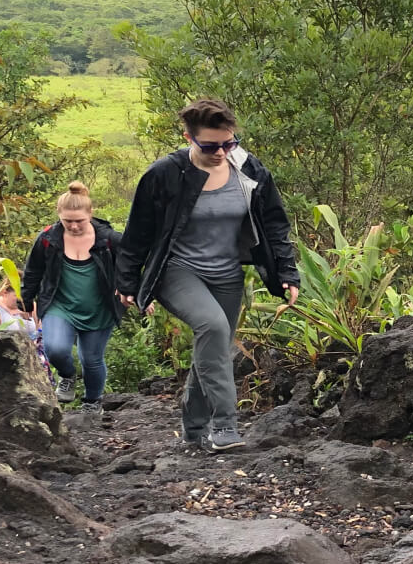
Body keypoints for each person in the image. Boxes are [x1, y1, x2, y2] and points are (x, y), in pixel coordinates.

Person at [117, 98, 300, 451]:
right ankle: (225, 426)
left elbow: (275, 224)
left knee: (214, 347)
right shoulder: (165, 174)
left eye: (229, 143)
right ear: (189, 137)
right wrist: (126, 280)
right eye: (210, 146)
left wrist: (287, 271)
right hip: (177, 270)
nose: (221, 152)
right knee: (213, 328)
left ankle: (194, 428)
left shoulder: (250, 169)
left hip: (228, 274)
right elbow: (137, 231)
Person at [20, 181, 125, 411]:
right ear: (59, 215)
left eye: (80, 221)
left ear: (91, 214)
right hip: (60, 304)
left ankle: (92, 403)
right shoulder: (48, 238)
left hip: (99, 306)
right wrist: (26, 298)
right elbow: (33, 269)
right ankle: (67, 376)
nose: (74, 226)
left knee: (92, 359)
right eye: (68, 221)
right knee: (55, 347)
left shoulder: (109, 240)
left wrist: (133, 291)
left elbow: (130, 266)